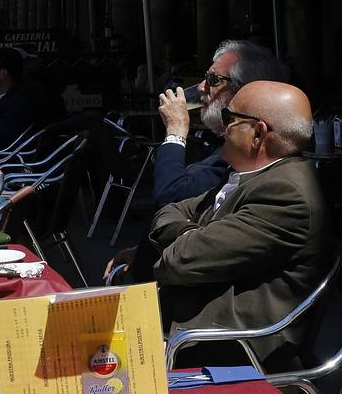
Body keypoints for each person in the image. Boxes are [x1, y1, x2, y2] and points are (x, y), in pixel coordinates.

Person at [149, 81, 333, 370]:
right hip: (191, 332)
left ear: (258, 133)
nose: (222, 129)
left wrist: (186, 236)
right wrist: (191, 233)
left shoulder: (286, 195)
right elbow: (170, 209)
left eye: (229, 119)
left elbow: (178, 261)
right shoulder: (253, 176)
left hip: (227, 355)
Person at [105, 39, 292, 282]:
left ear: (243, 91)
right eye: (205, 77)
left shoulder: (246, 159)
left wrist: (175, 131)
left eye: (213, 80)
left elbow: (169, 197)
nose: (201, 87)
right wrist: (142, 252)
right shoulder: (222, 148)